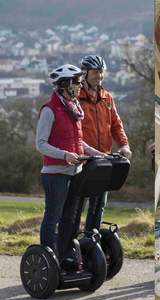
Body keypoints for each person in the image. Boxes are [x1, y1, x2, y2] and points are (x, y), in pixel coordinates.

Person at [36, 64, 104, 257]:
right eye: (76, 82)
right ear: (65, 85)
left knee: (69, 219)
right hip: (55, 174)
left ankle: (65, 256)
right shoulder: (49, 110)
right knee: (53, 218)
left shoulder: (73, 108)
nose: (80, 85)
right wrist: (64, 155)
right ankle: (48, 257)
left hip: (75, 172)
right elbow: (40, 144)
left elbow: (78, 141)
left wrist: (95, 153)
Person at [79, 55, 132, 232]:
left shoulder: (107, 98)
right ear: (84, 73)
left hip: (104, 160)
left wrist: (124, 145)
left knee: (99, 204)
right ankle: (70, 242)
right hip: (83, 159)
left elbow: (116, 125)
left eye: (101, 72)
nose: (99, 76)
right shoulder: (76, 98)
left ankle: (91, 239)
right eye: (95, 72)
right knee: (77, 204)